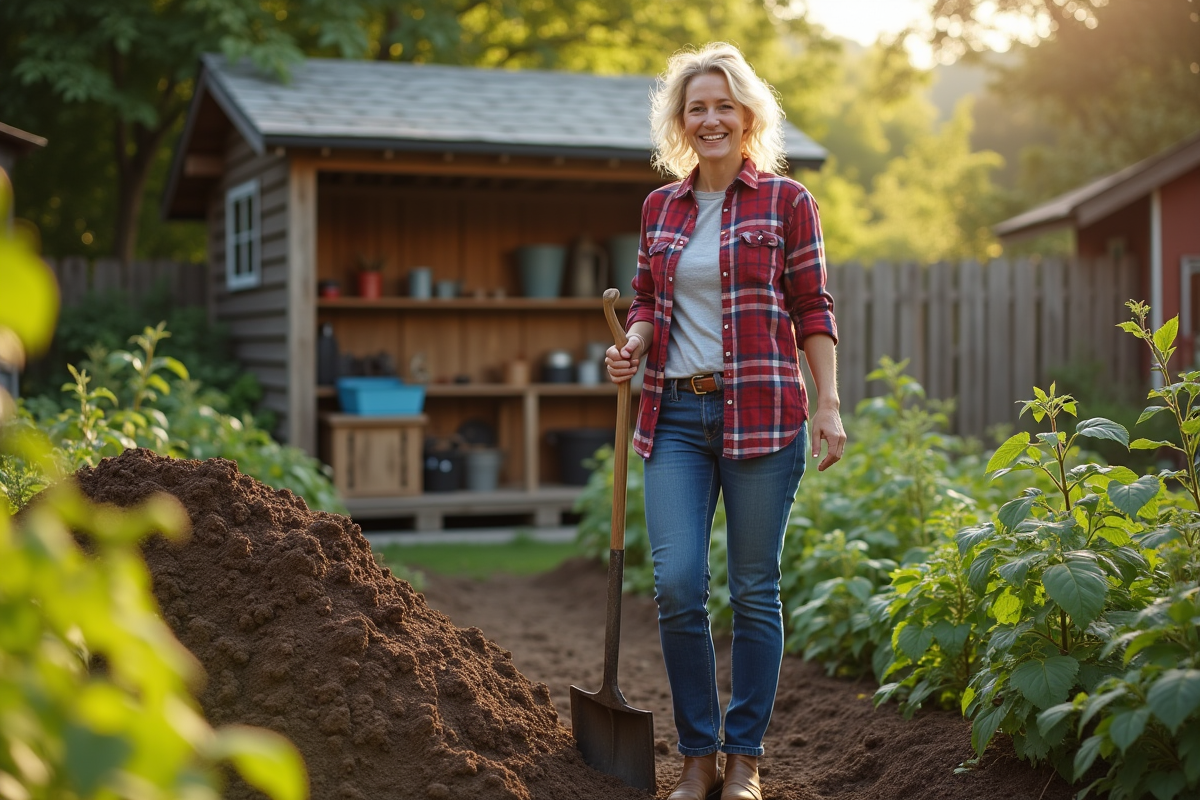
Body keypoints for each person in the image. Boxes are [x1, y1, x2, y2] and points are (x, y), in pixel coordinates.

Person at [604, 42, 846, 800]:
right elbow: (645, 298)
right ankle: (697, 755)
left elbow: (813, 308)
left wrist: (830, 402)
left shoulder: (787, 202)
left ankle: (743, 758)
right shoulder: (661, 208)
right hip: (674, 412)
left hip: (763, 412)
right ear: (682, 121)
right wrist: (634, 342)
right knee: (677, 584)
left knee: (753, 589)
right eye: (696, 106)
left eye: (723, 105)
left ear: (747, 116)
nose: (710, 119)